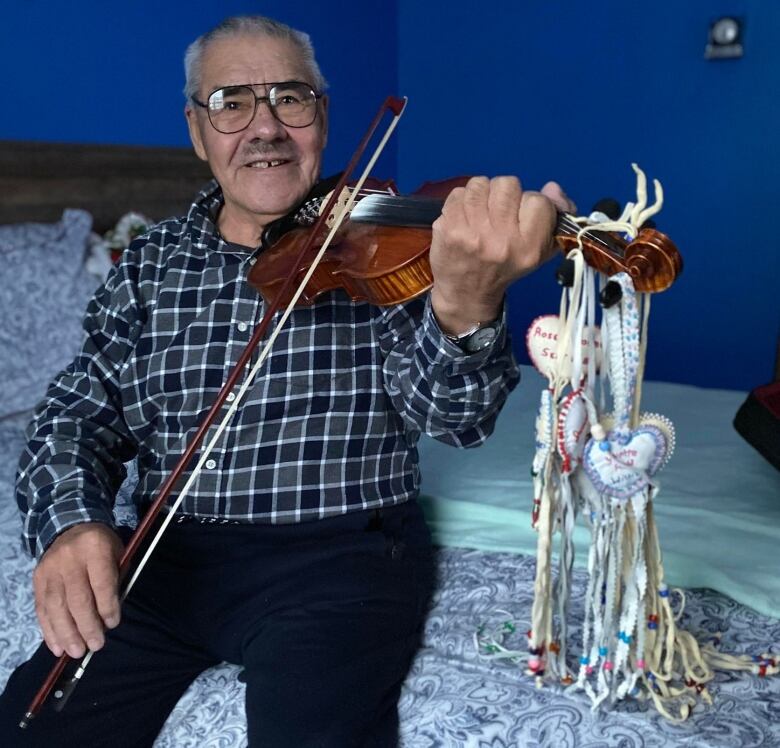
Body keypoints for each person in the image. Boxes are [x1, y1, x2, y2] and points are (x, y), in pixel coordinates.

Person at [0, 14, 573, 748]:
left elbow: (454, 418)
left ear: (322, 118)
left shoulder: (384, 245)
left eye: (290, 98)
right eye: (231, 102)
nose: (264, 126)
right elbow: (75, 414)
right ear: (196, 130)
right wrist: (73, 523)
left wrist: (467, 303)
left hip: (338, 559)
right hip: (163, 556)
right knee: (33, 728)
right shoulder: (149, 263)